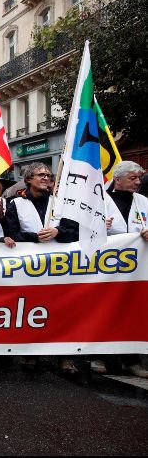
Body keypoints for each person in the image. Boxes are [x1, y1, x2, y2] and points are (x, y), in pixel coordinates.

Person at [3, 162, 79, 375]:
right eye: (41, 175)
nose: (46, 178)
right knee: (33, 311)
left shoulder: (61, 203)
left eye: (48, 175)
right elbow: (12, 233)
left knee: (63, 311)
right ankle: (31, 353)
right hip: (31, 269)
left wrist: (58, 232)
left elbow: (75, 231)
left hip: (60, 268)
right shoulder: (15, 204)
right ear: (28, 179)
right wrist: (34, 237)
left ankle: (65, 357)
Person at [93, 161, 148, 378]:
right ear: (118, 179)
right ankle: (99, 356)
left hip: (135, 271)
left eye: (138, 178)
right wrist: (97, 228)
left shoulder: (143, 202)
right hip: (104, 269)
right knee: (103, 310)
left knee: (130, 312)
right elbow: (81, 231)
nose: (137, 182)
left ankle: (131, 359)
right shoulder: (100, 201)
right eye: (132, 178)